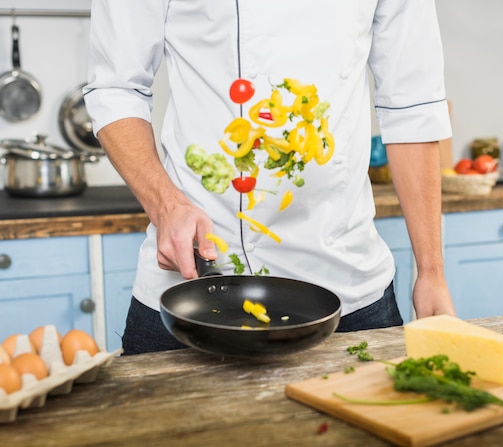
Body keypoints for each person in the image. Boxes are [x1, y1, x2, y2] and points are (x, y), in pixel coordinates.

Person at [84, 0, 456, 355]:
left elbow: (411, 106)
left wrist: (432, 271)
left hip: (349, 284)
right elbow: (116, 88)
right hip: (194, 285)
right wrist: (166, 205)